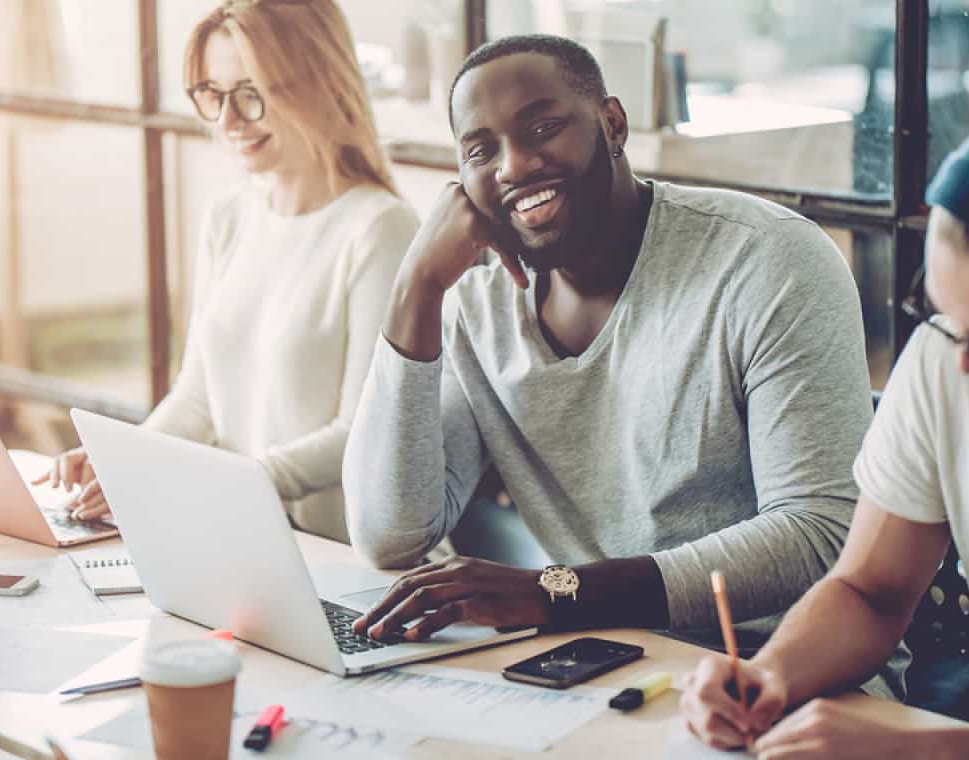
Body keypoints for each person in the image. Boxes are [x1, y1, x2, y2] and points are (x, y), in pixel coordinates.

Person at [342, 34, 898, 696]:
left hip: (783, 675)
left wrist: (559, 594)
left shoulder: (768, 262)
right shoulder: (476, 308)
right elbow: (390, 535)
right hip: (602, 663)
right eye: (480, 150)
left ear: (611, 125)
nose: (515, 165)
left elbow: (817, 537)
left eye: (543, 128)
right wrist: (416, 289)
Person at [681, 71, 969, 758]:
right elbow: (873, 588)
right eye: (947, 319)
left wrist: (937, 750)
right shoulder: (948, 357)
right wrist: (771, 674)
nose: (965, 367)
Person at [36, 0, 417, 542]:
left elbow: (361, 432)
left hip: (334, 553)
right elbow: (198, 400)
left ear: (320, 82)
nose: (227, 120)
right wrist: (126, 459)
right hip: (240, 531)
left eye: (251, 94)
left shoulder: (380, 228)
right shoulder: (231, 215)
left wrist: (220, 482)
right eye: (213, 95)